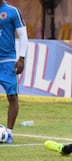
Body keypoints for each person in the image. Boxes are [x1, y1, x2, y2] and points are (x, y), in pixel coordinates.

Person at [0, 0, 28, 143]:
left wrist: (21, 58)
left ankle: (9, 132)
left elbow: (23, 35)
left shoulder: (12, 11)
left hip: (7, 61)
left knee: (12, 96)